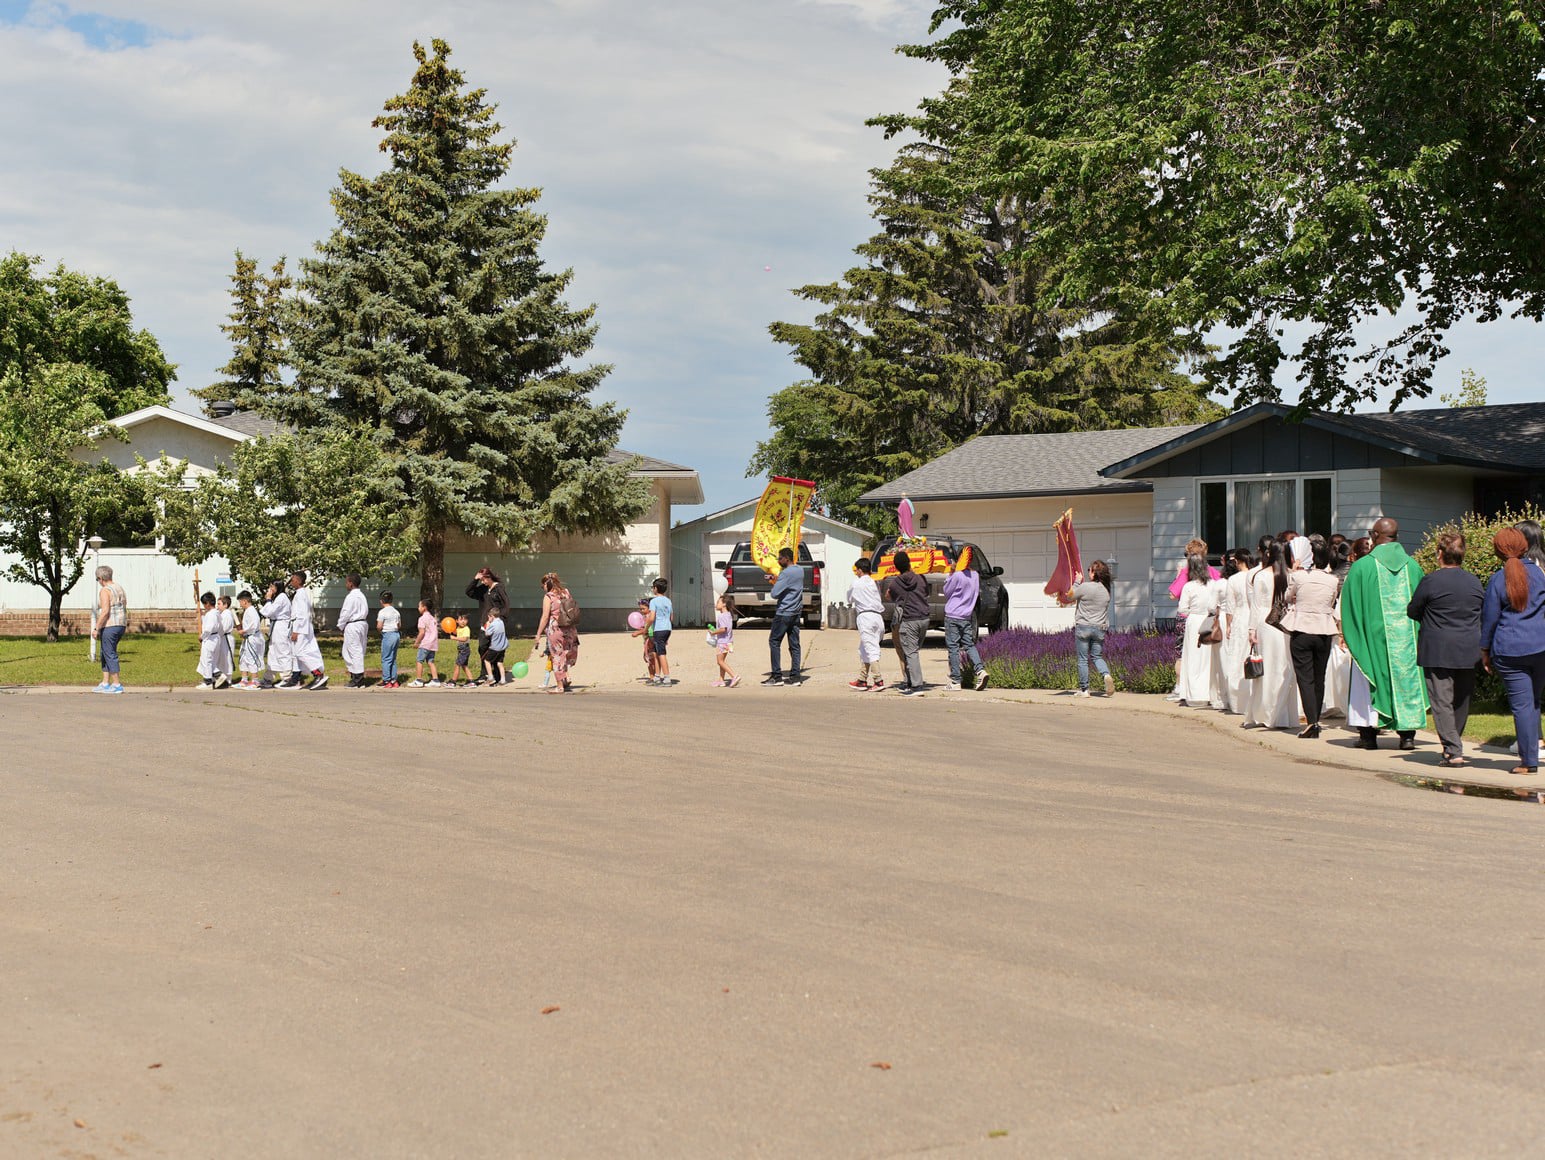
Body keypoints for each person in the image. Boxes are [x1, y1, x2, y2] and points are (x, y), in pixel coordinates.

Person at [1340, 518, 1426, 750]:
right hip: (1406, 642)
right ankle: (1407, 736)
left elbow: (1350, 607)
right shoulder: (1413, 566)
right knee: (1406, 680)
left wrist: (1354, 635)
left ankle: (1368, 736)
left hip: (1370, 639)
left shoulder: (1361, 567)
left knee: (1366, 680)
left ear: (1376, 536)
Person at [1406, 531, 1484, 767]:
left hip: (1438, 647)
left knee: (1441, 701)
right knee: (1461, 700)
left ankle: (1453, 748)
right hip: (1469, 646)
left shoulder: (1431, 581)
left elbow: (1413, 610)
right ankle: (1453, 743)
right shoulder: (1474, 581)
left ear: (1440, 554)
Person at [1481, 528, 1545, 776]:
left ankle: (1529, 761)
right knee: (1533, 701)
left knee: (1522, 705)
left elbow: (1490, 618)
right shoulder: (1539, 573)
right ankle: (1531, 757)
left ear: (1498, 551)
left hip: (1511, 649)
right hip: (1541, 646)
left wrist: (1485, 649)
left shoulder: (1498, 578)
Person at [1286, 534, 1341, 738]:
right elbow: (1332, 601)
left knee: (1305, 677)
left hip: (1301, 628)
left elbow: (1286, 596)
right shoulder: (1333, 580)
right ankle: (1315, 719)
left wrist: (1294, 570)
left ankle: (1312, 722)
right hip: (1325, 630)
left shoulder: (1299, 577)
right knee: (1319, 677)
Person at [1243, 536, 1299, 729]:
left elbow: (1256, 606)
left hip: (1265, 624)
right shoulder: (1293, 575)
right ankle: (1283, 714)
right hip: (1286, 624)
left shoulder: (1261, 576)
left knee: (1266, 671)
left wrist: (1251, 630)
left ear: (1270, 553)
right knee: (1284, 668)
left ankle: (1264, 712)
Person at [1167, 538, 1221, 693]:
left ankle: (1179, 687)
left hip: (1188, 619)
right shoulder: (1212, 572)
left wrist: (1178, 575)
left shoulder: (1186, 572)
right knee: (1208, 655)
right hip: (1210, 619)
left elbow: (1172, 595)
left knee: (1182, 654)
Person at [1175, 554, 1221, 708]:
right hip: (1208, 620)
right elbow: (1215, 605)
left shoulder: (1189, 586)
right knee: (1208, 658)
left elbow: (1182, 608)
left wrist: (1192, 612)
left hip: (1194, 621)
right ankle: (1208, 693)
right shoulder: (1213, 584)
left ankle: (1193, 693)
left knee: (1193, 657)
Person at [886, 550, 930, 696]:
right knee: (912, 651)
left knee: (910, 653)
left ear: (896, 566)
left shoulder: (895, 583)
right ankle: (909, 682)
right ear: (909, 562)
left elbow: (889, 597)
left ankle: (917, 686)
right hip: (924, 619)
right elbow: (926, 592)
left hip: (909, 620)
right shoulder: (920, 578)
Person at [943, 549, 987, 691]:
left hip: (953, 616)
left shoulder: (956, 576)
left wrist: (950, 575)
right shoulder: (975, 575)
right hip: (966, 616)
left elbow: (947, 591)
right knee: (969, 645)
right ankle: (980, 670)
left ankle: (956, 681)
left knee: (953, 648)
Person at [1070, 560, 1114, 698]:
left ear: (1094, 573)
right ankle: (1106, 674)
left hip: (1083, 627)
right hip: (1099, 628)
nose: (1088, 571)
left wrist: (1077, 581)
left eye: (1090, 569)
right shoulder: (1106, 591)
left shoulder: (1085, 587)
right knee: (1096, 656)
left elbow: (1070, 595)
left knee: (1083, 659)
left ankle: (1084, 690)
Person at [1220, 549, 1254, 713]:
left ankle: (1237, 701)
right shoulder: (1256, 575)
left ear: (1237, 562)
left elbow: (1229, 606)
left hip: (1240, 618)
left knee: (1237, 657)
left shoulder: (1233, 579)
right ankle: (1253, 698)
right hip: (1254, 616)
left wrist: (1228, 625)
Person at [766, 547, 805, 686]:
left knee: (774, 642)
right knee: (794, 645)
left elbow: (775, 594)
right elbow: (791, 585)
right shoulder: (800, 570)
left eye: (780, 558)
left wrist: (775, 581)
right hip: (795, 612)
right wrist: (777, 579)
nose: (778, 560)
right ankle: (795, 677)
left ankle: (776, 676)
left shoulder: (785, 573)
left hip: (783, 613)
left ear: (786, 559)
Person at [537, 572, 581, 694]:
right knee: (566, 654)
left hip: (556, 629)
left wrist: (538, 634)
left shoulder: (548, 597)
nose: (543, 589)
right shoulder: (566, 592)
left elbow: (545, 617)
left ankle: (559, 686)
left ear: (547, 584)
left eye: (542, 586)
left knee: (557, 656)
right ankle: (566, 679)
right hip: (570, 628)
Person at [846, 557, 886, 691]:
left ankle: (878, 680)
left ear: (861, 570)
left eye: (857, 570)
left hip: (866, 617)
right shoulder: (874, 582)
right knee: (864, 649)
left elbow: (849, 599)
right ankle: (862, 679)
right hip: (878, 618)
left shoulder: (856, 583)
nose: (856, 572)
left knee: (870, 649)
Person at [285, 571, 328, 690]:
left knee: (301, 652)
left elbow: (302, 615)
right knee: (297, 653)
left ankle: (317, 674)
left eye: (293, 580)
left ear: (298, 581)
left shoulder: (301, 595)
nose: (291, 582)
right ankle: (296, 679)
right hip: (300, 626)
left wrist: (296, 631)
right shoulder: (300, 594)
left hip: (301, 628)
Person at [90, 565, 127, 695]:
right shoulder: (119, 588)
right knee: (104, 652)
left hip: (110, 625)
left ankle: (116, 684)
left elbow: (105, 611)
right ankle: (105, 683)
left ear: (100, 578)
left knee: (109, 653)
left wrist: (96, 628)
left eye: (97, 579)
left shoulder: (105, 591)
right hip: (121, 624)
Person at [337, 573, 370, 688]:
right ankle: (356, 676)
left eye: (347, 582)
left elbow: (346, 612)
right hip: (362, 624)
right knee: (356, 650)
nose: (346, 584)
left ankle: (358, 679)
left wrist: (340, 625)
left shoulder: (351, 597)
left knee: (353, 651)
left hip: (353, 625)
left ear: (350, 583)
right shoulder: (361, 596)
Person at [258, 579, 292, 690]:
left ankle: (287, 678)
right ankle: (268, 678)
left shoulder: (281, 597)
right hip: (276, 626)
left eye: (272, 586)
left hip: (281, 626)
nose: (270, 589)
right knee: (272, 652)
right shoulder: (278, 598)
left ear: (277, 587)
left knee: (282, 651)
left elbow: (268, 612)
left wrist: (268, 599)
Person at [196, 592, 231, 690]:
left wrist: (202, 637)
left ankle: (211, 680)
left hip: (210, 638)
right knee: (211, 660)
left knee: (207, 660)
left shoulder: (212, 614)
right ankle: (212, 678)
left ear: (207, 603)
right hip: (215, 638)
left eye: (204, 604)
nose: (204, 606)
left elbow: (208, 628)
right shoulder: (215, 613)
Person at [644, 576, 673, 687]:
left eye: (653, 587)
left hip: (659, 629)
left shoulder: (654, 601)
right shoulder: (668, 601)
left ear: (656, 588)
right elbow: (671, 617)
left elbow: (651, 618)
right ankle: (657, 676)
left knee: (661, 654)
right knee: (656, 653)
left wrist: (646, 628)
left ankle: (666, 678)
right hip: (667, 628)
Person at [708, 593, 740, 688]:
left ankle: (734, 676)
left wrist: (713, 632)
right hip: (729, 641)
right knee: (722, 661)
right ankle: (721, 680)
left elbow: (723, 629)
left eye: (718, 602)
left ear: (724, 604)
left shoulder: (722, 616)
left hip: (723, 642)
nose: (716, 604)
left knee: (720, 661)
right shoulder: (728, 615)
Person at [236, 590, 264, 690]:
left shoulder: (251, 610)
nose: (240, 604)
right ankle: (244, 679)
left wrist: (244, 630)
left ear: (244, 601)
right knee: (243, 658)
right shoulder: (247, 611)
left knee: (251, 658)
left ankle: (255, 681)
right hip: (247, 637)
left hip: (252, 637)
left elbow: (254, 624)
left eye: (240, 602)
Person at [409, 599, 441, 687]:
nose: (418, 608)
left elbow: (422, 632)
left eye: (419, 606)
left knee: (419, 660)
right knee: (431, 662)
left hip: (426, 643)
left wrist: (416, 642)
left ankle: (418, 680)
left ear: (424, 608)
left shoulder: (422, 618)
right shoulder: (432, 618)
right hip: (433, 643)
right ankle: (435, 680)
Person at [477, 606, 508, 686]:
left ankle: (491, 678)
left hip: (495, 647)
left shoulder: (493, 624)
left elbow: (487, 633)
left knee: (487, 661)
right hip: (502, 647)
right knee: (499, 663)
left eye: (489, 617)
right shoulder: (501, 622)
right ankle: (503, 680)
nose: (488, 619)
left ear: (492, 616)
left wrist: (487, 624)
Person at [377, 591, 402, 689]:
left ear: (381, 601)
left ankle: (386, 680)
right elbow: (399, 625)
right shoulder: (396, 612)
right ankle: (394, 680)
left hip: (387, 634)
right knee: (393, 658)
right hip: (396, 634)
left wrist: (381, 631)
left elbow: (379, 626)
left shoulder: (382, 612)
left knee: (386, 658)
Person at [632, 596, 659, 683]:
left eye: (643, 609)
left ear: (649, 608)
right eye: (640, 609)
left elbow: (645, 630)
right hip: (647, 640)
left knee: (649, 658)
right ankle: (653, 676)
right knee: (649, 658)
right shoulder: (646, 617)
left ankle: (653, 676)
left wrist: (637, 633)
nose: (641, 611)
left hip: (650, 639)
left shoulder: (648, 617)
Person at [451, 613, 473, 687]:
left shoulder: (466, 629)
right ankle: (471, 681)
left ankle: (453, 681)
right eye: (461, 619)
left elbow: (465, 639)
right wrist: (451, 628)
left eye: (465, 619)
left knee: (458, 665)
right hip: (461, 649)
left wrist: (454, 638)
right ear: (457, 621)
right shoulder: (458, 628)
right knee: (464, 666)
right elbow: (455, 632)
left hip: (465, 649)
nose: (463, 621)